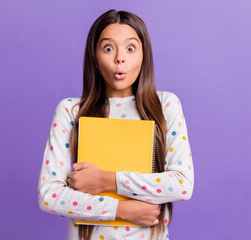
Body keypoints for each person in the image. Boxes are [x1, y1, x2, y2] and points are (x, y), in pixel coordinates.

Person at [38, 9, 194, 240]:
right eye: (108, 48)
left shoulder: (165, 105)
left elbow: (181, 184)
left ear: (144, 55)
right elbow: (49, 195)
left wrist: (106, 180)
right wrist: (121, 210)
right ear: (94, 56)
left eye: (130, 48)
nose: (120, 57)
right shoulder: (71, 110)